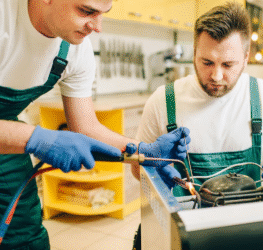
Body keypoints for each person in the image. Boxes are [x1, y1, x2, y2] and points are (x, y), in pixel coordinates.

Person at [133, 2, 263, 248]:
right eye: (207, 62)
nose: (216, 76)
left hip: (248, 232)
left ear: (245, 58)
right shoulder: (163, 100)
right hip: (185, 234)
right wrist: (155, 169)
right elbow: (137, 169)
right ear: (194, 52)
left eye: (227, 65)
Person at [0, 0, 189, 249]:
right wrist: (37, 139)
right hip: (14, 137)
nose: (97, 27)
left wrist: (144, 150)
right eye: (87, 11)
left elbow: (86, 127)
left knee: (24, 237)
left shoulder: (75, 50)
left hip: (7, 149)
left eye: (103, 14)